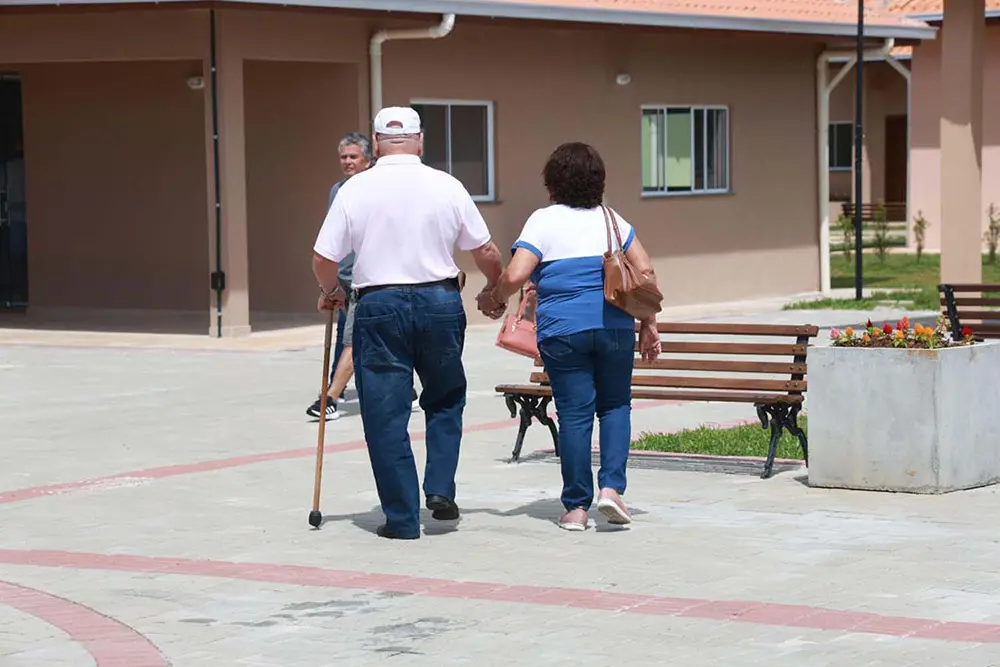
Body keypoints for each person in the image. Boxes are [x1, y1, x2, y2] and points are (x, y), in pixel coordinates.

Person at [312, 106, 504, 540]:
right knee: (446, 397)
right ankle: (438, 487)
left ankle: (401, 519)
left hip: (378, 306)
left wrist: (331, 292)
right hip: (439, 301)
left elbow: (324, 258)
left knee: (385, 413)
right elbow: (487, 250)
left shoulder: (354, 189)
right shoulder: (447, 185)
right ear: (420, 141)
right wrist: (493, 289)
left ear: (376, 144)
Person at [477, 142, 661, 532]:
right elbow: (645, 274)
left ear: (552, 182)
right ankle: (611, 489)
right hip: (614, 328)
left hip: (563, 332)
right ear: (598, 180)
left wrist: (494, 298)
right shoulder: (613, 220)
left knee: (575, 416)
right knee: (615, 407)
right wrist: (649, 325)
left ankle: (576, 508)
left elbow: (515, 274)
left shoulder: (543, 221)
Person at [306, 132, 372, 420]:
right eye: (344, 157)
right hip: (343, 276)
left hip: (367, 277)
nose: (347, 162)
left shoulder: (373, 188)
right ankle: (338, 387)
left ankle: (330, 397)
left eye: (353, 157)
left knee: (353, 338)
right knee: (346, 333)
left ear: (368, 160)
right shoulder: (338, 189)